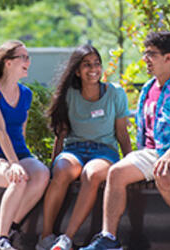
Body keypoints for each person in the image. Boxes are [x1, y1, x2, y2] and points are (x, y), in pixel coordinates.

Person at [81, 32, 170, 250]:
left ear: (168, 58)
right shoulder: (147, 88)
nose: (145, 59)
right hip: (152, 153)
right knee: (116, 173)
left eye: (151, 54)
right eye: (145, 54)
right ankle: (109, 238)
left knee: (164, 173)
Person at [35, 44, 132, 250]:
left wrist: (131, 163)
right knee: (61, 171)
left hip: (104, 152)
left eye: (97, 63)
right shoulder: (68, 95)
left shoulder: (115, 93)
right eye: (87, 65)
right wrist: (54, 163)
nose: (93, 69)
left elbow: (122, 134)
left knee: (91, 174)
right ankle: (45, 237)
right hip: (74, 150)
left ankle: (66, 239)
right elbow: (60, 134)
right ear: (77, 71)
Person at [0, 40, 50, 250]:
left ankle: (12, 227)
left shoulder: (26, 95)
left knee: (42, 174)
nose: (28, 61)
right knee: (19, 178)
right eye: (23, 57)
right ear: (8, 62)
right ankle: (0, 240)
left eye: (28, 57)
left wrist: (22, 159)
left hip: (18, 153)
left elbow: (19, 132)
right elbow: (1, 132)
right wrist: (14, 164)